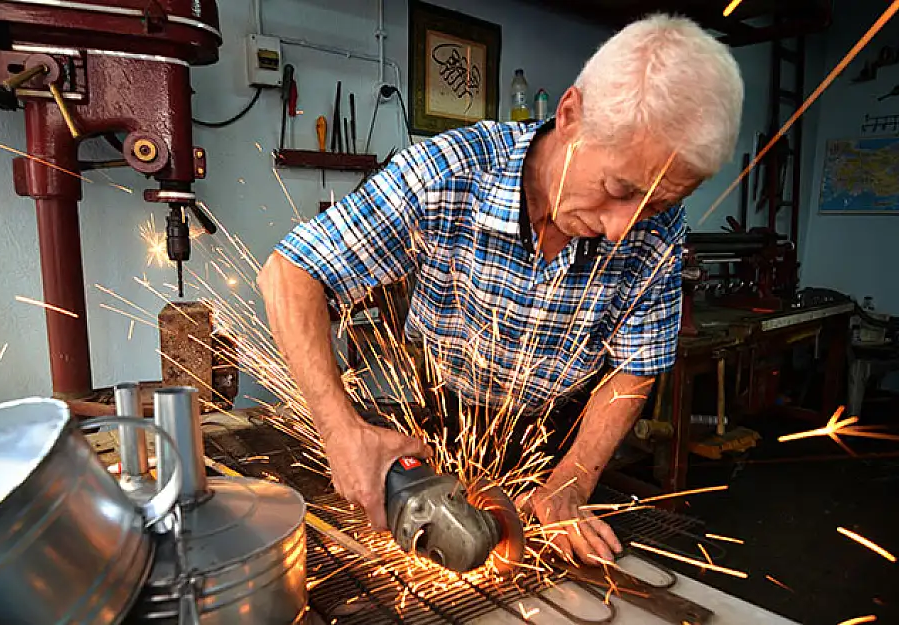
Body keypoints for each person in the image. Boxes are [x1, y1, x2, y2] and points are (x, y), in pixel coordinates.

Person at [257, 14, 744, 564]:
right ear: (570, 115)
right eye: (617, 188)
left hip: (558, 437)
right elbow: (289, 272)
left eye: (655, 204)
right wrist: (339, 430)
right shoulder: (450, 170)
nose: (621, 229)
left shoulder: (657, 235)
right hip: (437, 418)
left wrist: (574, 481)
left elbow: (637, 364)